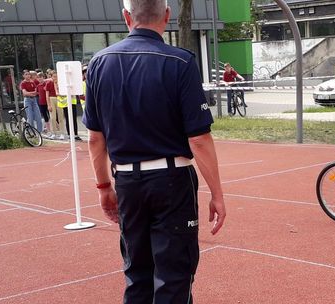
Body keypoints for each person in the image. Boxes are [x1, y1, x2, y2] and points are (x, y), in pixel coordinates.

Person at [82, 0, 226, 303]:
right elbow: (198, 139)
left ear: (126, 17)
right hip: (173, 180)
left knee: (137, 274)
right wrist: (217, 194)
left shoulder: (98, 63)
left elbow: (96, 139)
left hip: (127, 182)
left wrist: (103, 186)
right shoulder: (181, 62)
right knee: (174, 276)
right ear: (168, 16)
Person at [45, 71, 66, 140]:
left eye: (56, 76)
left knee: (60, 117)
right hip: (51, 99)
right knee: (53, 118)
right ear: (51, 77)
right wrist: (48, 105)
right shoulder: (49, 83)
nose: (55, 78)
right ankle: (53, 133)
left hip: (59, 99)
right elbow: (47, 95)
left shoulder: (60, 83)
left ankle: (62, 133)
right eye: (54, 76)